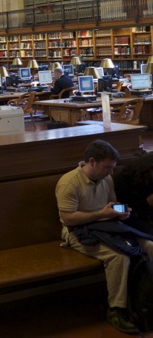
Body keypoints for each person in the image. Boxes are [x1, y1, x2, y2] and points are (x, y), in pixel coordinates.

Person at [56, 140, 153, 334]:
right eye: (107, 167)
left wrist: (121, 211)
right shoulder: (69, 182)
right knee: (119, 257)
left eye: (112, 168)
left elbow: (113, 203)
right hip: (79, 232)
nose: (110, 173)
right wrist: (102, 214)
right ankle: (117, 309)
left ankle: (147, 302)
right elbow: (69, 218)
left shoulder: (106, 179)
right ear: (91, 161)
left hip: (107, 226)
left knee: (149, 245)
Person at [114, 152, 153, 234]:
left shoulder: (149, 179)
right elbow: (121, 211)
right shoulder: (123, 181)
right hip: (129, 220)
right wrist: (146, 202)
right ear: (147, 169)